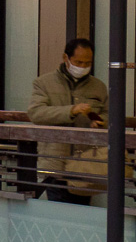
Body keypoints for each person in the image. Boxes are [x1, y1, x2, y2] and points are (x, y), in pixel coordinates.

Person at [27, 37, 109, 204]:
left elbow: (110, 116)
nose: (83, 67)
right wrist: (70, 111)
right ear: (66, 58)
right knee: (59, 214)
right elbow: (36, 113)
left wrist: (100, 122)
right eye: (78, 62)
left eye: (88, 63)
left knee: (81, 213)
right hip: (55, 162)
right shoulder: (44, 83)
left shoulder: (99, 87)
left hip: (87, 164)